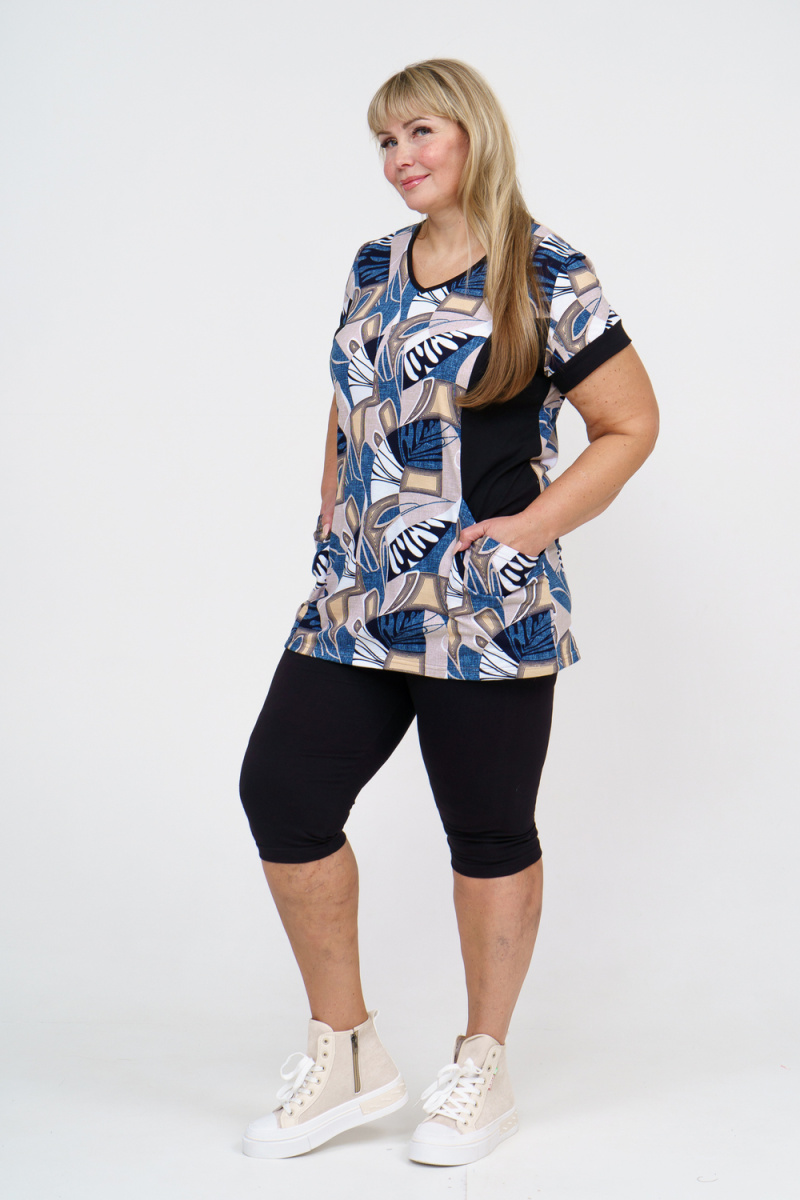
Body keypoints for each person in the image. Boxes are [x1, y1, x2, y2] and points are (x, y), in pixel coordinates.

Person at [238, 58, 659, 1166]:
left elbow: (629, 423)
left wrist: (528, 529)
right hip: (358, 592)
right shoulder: (372, 264)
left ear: (473, 132)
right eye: (385, 142)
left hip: (484, 606)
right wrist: (332, 511)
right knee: (282, 793)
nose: (400, 158)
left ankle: (483, 1063)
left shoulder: (547, 269)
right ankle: (347, 1053)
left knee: (485, 829)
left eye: (419, 132)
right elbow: (352, 401)